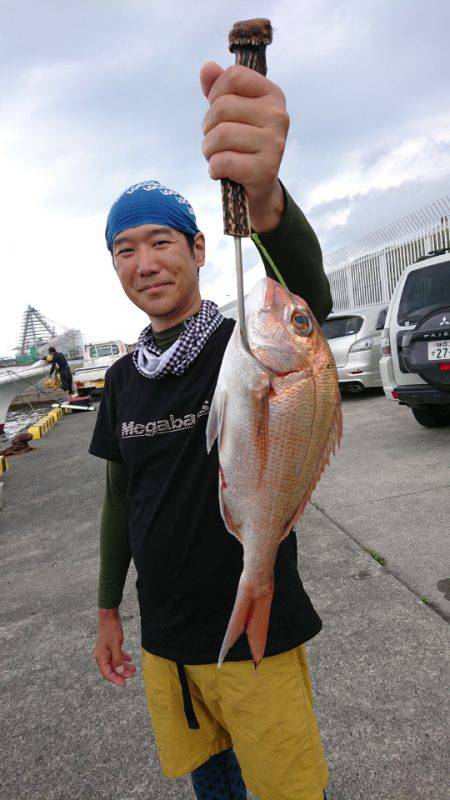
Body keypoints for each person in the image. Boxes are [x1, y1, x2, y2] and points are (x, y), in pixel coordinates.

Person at [89, 61, 332, 800]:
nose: (144, 262)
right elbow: (118, 498)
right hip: (168, 642)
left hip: (261, 637)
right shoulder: (124, 378)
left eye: (160, 241)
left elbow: (304, 299)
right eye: (124, 249)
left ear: (199, 249)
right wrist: (108, 606)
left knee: (291, 790)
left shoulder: (246, 350)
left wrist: (265, 201)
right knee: (213, 789)